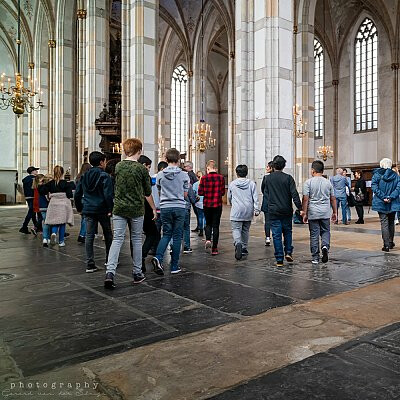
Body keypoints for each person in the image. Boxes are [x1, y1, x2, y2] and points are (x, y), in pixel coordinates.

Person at [104, 139, 157, 288]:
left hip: (119, 207)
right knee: (136, 239)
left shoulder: (119, 166)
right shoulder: (141, 169)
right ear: (139, 151)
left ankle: (110, 272)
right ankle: (137, 272)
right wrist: (153, 208)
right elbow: (147, 191)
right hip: (136, 208)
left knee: (117, 239)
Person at [151, 148, 189, 275]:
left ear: (166, 159)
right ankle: (174, 266)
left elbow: (160, 190)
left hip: (165, 207)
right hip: (179, 207)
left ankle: (158, 257)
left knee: (166, 234)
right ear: (178, 160)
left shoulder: (160, 175)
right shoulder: (184, 175)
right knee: (177, 236)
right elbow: (185, 194)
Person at [74, 152, 114, 273]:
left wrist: (80, 208)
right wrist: (110, 209)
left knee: (89, 236)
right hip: (102, 209)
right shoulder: (105, 176)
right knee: (107, 234)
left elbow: (77, 194)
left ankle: (90, 263)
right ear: (102, 162)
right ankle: (109, 259)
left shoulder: (84, 176)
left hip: (88, 208)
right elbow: (108, 195)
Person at [263, 155, 302, 267]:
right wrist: (300, 208)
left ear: (273, 166)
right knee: (288, 231)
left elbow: (265, 193)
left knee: (276, 234)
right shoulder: (288, 178)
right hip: (286, 210)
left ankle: (279, 259)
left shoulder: (267, 179)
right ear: (284, 166)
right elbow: (294, 195)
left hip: (273, 210)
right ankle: (288, 252)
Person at [302, 160, 337, 265]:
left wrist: (304, 212)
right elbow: (333, 198)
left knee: (314, 234)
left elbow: (305, 199)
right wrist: (335, 212)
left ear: (313, 170)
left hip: (313, 212)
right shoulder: (328, 182)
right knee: (325, 231)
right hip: (325, 212)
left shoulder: (308, 182)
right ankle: (325, 246)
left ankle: (315, 257)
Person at [228, 164, 260, 261]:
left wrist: (232, 203)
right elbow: (255, 197)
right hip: (248, 209)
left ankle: (238, 243)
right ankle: (244, 248)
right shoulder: (251, 184)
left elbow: (229, 197)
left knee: (236, 229)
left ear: (236, 173)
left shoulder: (232, 184)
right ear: (246, 173)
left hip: (237, 209)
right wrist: (256, 209)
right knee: (245, 229)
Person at [40, 165, 74, 247]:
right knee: (62, 223)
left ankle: (54, 232)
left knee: (55, 221)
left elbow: (42, 191)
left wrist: (41, 184)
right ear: (62, 173)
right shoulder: (66, 183)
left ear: (54, 173)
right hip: (63, 204)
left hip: (53, 203)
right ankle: (61, 241)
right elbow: (69, 195)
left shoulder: (50, 183)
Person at [138, 155, 161, 273]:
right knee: (152, 234)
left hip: (134, 208)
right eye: (148, 167)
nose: (148, 169)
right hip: (145, 209)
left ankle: (138, 263)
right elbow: (147, 194)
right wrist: (153, 208)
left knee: (136, 237)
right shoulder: (144, 175)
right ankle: (141, 257)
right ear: (144, 165)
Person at [371, 158, 400, 252]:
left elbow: (374, 187)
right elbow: (398, 188)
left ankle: (386, 245)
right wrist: (390, 197)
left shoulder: (377, 175)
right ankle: (391, 243)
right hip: (393, 201)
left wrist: (384, 197)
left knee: (384, 223)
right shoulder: (395, 175)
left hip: (381, 201)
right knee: (391, 223)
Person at [198, 160, 225, 255]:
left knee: (208, 223)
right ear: (216, 168)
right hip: (217, 204)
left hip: (207, 204)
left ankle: (208, 239)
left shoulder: (204, 178)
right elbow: (222, 192)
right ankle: (215, 249)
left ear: (208, 168)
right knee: (216, 226)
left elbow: (200, 192)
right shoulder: (221, 178)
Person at [19, 166, 40, 234]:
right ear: (32, 171)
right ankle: (24, 227)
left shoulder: (25, 179)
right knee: (31, 212)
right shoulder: (35, 179)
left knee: (33, 212)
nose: (37, 171)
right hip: (33, 197)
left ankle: (37, 226)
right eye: (35, 170)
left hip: (28, 197)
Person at [32, 174, 51, 247]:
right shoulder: (45, 187)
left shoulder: (38, 186)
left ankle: (45, 238)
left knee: (45, 221)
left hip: (41, 205)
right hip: (47, 206)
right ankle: (47, 237)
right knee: (48, 222)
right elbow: (47, 197)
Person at [75, 162, 92, 243]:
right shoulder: (88, 178)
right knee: (85, 218)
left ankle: (84, 233)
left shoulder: (78, 177)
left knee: (83, 218)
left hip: (81, 199)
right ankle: (82, 235)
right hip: (86, 199)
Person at [261, 161, 274, 246]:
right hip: (275, 202)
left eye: (268, 167)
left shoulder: (266, 178)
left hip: (267, 202)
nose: (266, 168)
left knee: (267, 221)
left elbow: (262, 189)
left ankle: (268, 237)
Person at [193, 171, 205, 237]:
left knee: (200, 216)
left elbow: (193, 193)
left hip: (198, 202)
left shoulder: (195, 184)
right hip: (206, 201)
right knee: (205, 217)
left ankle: (201, 230)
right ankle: (206, 228)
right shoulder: (206, 183)